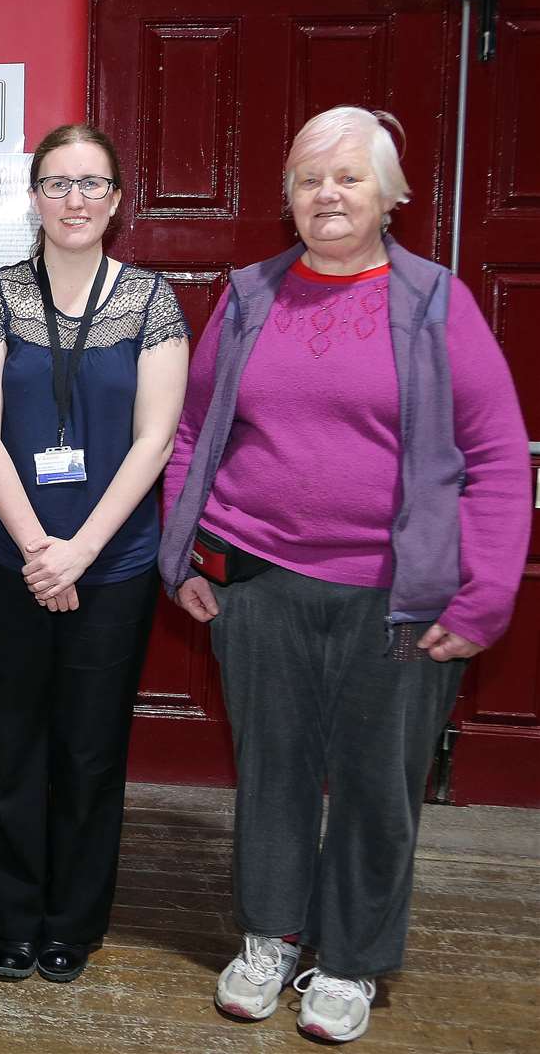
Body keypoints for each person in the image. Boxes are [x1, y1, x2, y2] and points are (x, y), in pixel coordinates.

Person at [158, 106, 531, 1044]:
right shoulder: (248, 298)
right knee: (272, 771)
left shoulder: (437, 301)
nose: (328, 194)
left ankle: (352, 959)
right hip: (258, 581)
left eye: (349, 177)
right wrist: (184, 555)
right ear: (287, 198)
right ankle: (272, 934)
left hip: (398, 597)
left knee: (377, 783)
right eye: (308, 180)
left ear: (390, 195)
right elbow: (194, 435)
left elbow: (494, 456)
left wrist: (484, 595)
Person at [0, 123, 190, 984]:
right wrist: (36, 551)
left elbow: (156, 440)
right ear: (35, 197)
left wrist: (80, 553)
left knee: (91, 750)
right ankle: (10, 919)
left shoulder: (152, 301)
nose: (76, 200)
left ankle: (72, 921)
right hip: (3, 557)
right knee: (11, 743)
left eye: (92, 184)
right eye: (58, 183)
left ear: (118, 199)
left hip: (114, 563)